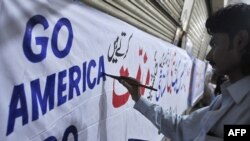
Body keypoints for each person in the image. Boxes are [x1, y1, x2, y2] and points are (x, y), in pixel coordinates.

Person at [119, 3, 250, 141]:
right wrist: (139, 99)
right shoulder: (224, 99)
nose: (208, 57)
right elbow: (182, 127)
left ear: (240, 41)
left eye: (216, 44)